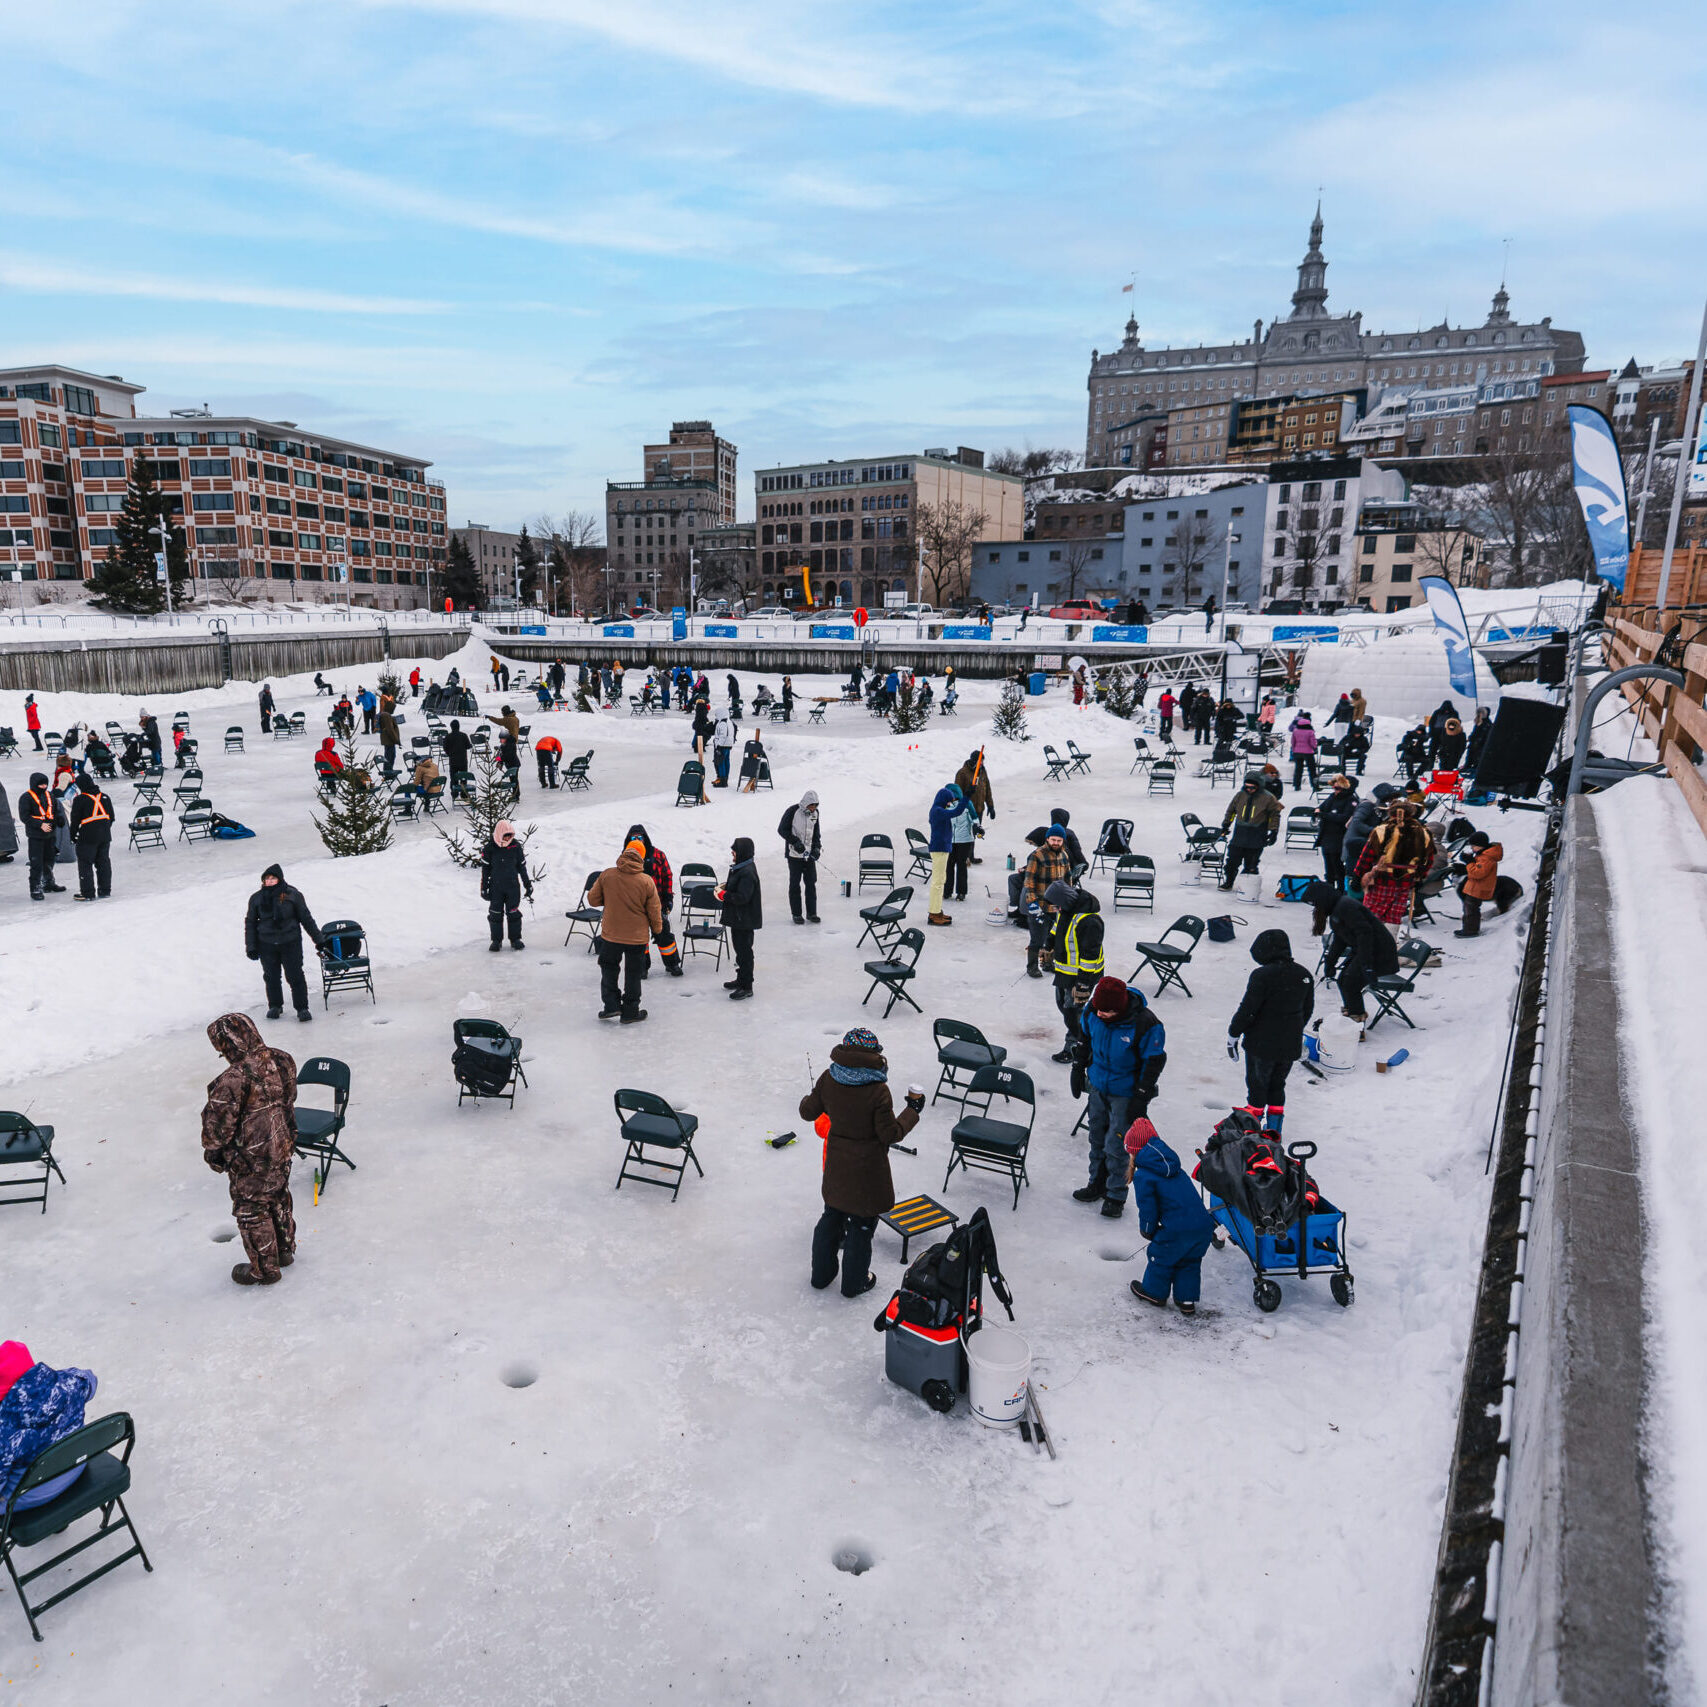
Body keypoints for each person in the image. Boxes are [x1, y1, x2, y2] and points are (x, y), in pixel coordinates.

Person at [801, 1027, 925, 1297]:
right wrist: (912, 1111)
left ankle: (821, 1276)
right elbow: (890, 1134)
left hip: (837, 1164)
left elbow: (807, 1112)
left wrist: (813, 1095)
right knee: (861, 1225)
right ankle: (854, 1283)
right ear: (874, 1054)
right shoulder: (878, 1089)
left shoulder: (829, 1077)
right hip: (868, 1170)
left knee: (831, 1217)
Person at [201, 1013, 299, 1286]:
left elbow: (217, 1131)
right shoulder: (282, 1059)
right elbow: (289, 1099)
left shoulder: (232, 1080)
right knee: (278, 1196)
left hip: (251, 1158)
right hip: (283, 1145)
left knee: (251, 1209)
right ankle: (284, 1251)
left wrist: (214, 1153)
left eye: (221, 1048)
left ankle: (265, 1270)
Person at [1072, 976, 1166, 1213]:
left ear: (1120, 1007)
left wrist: (1140, 1098)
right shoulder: (1092, 1011)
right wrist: (1077, 1068)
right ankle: (1096, 1183)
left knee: (1117, 1145)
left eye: (1107, 1012)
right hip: (1098, 1084)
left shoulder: (1146, 1024)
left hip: (1125, 1093)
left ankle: (1115, 1195)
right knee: (1096, 1138)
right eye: (1099, 1010)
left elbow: (1154, 1061)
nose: (1101, 1014)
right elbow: (1084, 1040)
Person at [1125, 1118, 1218, 1316]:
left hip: (1177, 1230)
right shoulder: (1175, 1168)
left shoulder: (1144, 1176)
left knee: (1160, 1257)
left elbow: (1148, 1208)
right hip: (1203, 1226)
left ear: (1134, 1150)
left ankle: (1154, 1293)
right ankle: (1186, 1301)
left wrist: (1148, 1230)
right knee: (1189, 1262)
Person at [1227, 928, 1314, 1135]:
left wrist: (1234, 1034)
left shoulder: (1262, 976)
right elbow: (1308, 1009)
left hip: (1261, 1045)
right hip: (1288, 1046)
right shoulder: (1304, 974)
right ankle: (1274, 1132)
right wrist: (1292, 1029)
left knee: (1257, 1087)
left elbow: (1248, 1009)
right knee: (1277, 1086)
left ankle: (1253, 1133)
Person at [589, 838, 662, 1022]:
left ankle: (611, 1006)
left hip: (611, 935)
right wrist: (657, 929)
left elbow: (593, 900)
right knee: (633, 974)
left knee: (608, 968)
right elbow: (654, 910)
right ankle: (630, 1012)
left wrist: (611, 898)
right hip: (636, 937)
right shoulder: (646, 881)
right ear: (642, 858)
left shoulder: (607, 875)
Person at [1308, 879, 1399, 1021]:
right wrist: (1330, 963)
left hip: (1380, 953)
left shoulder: (1345, 907)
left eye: (1315, 904)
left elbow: (1365, 934)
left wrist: (1367, 966)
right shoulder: (1338, 910)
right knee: (1343, 979)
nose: (1315, 908)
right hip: (1368, 951)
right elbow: (1340, 940)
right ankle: (1352, 1011)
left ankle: (1356, 1020)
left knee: (1351, 982)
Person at [245, 864, 323, 1020]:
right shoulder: (256, 898)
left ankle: (302, 1008)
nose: (270, 881)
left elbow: (305, 918)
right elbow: (250, 923)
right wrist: (251, 946)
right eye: (267, 879)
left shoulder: (292, 894)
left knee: (295, 975)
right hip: (266, 943)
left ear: (279, 879)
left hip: (290, 941)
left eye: (273, 878)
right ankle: (275, 1005)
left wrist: (319, 939)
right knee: (271, 976)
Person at [1352, 800, 1433, 933]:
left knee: (1372, 914)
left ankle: (1370, 944)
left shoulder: (1381, 830)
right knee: (1393, 916)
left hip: (1381, 879)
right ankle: (1389, 944)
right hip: (1406, 881)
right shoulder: (1423, 833)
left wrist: (1357, 875)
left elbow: (1367, 856)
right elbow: (1427, 860)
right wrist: (1420, 877)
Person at [1046, 882, 1104, 1060]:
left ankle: (1076, 1048)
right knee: (1064, 1007)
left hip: (1082, 976)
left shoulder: (1090, 921)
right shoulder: (1065, 910)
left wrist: (1083, 984)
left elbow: (1090, 956)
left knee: (1073, 1013)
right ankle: (1083, 1039)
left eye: (1056, 904)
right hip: (1065, 972)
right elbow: (1057, 929)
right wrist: (1048, 945)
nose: (1056, 908)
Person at [625, 823, 683, 975]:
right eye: (634, 837)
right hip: (636, 907)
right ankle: (642, 967)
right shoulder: (625, 858)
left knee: (664, 935)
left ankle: (672, 964)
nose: (637, 840)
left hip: (657, 904)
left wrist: (668, 898)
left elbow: (667, 875)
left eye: (640, 837)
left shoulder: (657, 854)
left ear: (645, 838)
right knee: (639, 939)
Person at [1219, 774, 1282, 892]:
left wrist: (1273, 831)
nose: (1249, 789)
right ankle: (1229, 882)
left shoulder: (1268, 798)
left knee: (1251, 864)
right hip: (1239, 834)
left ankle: (1248, 887)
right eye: (1247, 787)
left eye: (1252, 787)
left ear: (1258, 786)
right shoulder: (1240, 795)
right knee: (1232, 862)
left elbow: (1274, 816)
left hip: (1257, 835)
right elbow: (1231, 811)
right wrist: (1226, 825)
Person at [1022, 826, 1071, 977]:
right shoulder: (1037, 855)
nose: (1056, 842)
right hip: (1040, 906)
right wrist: (1033, 905)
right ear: (1047, 839)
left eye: (1059, 840)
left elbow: (1068, 879)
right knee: (1037, 939)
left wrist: (1069, 899)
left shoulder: (1064, 855)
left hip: (1057, 907)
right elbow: (1029, 882)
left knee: (1054, 938)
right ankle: (1032, 966)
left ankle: (1048, 962)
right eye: (1053, 840)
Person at [720, 837, 762, 999]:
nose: (732, 852)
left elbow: (742, 897)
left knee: (744, 952)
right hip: (739, 919)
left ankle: (747, 986)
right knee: (740, 950)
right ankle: (741, 978)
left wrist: (724, 895)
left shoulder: (747, 872)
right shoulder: (741, 868)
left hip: (745, 919)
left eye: (735, 850)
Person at [480, 821, 532, 951]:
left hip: (512, 886)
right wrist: (484, 887)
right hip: (496, 887)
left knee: (513, 913)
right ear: (499, 834)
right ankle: (496, 940)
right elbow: (485, 870)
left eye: (510, 835)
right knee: (495, 914)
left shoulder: (515, 847)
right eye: (505, 835)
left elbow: (522, 867)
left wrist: (528, 884)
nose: (508, 838)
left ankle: (515, 939)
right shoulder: (490, 848)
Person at [67, 773, 114, 901]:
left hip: (87, 837)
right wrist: (103, 829)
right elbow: (112, 818)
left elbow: (75, 821)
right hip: (105, 836)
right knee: (103, 862)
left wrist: (72, 837)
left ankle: (88, 893)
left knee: (85, 864)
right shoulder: (105, 797)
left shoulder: (80, 799)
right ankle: (105, 890)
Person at [20, 772, 64, 900]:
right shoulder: (26, 797)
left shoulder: (49, 795)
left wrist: (59, 819)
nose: (44, 786)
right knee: (36, 862)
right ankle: (35, 888)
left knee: (50, 859)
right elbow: (25, 816)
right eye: (41, 784)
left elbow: (55, 810)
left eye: (45, 784)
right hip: (36, 835)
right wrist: (40, 825)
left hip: (50, 834)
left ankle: (48, 882)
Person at [779, 790, 821, 923]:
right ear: (806, 803)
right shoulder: (792, 811)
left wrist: (817, 848)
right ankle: (796, 913)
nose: (813, 808)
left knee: (811, 883)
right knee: (795, 884)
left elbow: (816, 833)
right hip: (794, 855)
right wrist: (795, 841)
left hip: (808, 856)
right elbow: (782, 830)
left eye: (815, 806)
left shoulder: (815, 814)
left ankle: (811, 913)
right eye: (811, 806)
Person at [926, 783, 963, 925]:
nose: (949, 804)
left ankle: (937, 909)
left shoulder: (939, 810)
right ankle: (934, 913)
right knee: (937, 882)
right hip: (939, 849)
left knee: (941, 880)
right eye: (949, 801)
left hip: (942, 848)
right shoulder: (937, 811)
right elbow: (956, 812)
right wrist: (966, 797)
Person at [1457, 832, 1505, 938]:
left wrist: (1469, 862)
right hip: (1475, 887)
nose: (1472, 848)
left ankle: (1470, 930)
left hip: (1478, 888)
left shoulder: (1487, 858)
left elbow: (1477, 873)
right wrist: (1471, 860)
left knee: (1471, 909)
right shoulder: (1483, 855)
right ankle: (1468, 928)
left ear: (1480, 846)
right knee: (1469, 908)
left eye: (1473, 846)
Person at [954, 750, 994, 862]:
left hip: (979, 809)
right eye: (980, 761)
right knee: (965, 834)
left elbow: (987, 788)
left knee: (974, 833)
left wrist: (990, 805)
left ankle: (970, 856)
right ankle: (962, 857)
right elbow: (957, 792)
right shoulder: (962, 773)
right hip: (966, 810)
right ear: (974, 761)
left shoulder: (982, 771)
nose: (982, 763)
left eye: (983, 761)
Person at [946, 774, 977, 901]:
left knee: (961, 865)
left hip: (964, 840)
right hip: (950, 841)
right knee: (949, 865)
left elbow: (974, 818)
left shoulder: (966, 804)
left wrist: (977, 827)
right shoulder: (945, 806)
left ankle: (961, 892)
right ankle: (947, 890)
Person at [1049, 806, 1085, 876]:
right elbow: (1077, 852)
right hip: (1072, 868)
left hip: (1062, 871)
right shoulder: (1070, 832)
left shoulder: (1050, 834)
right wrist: (1084, 864)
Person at [1289, 711, 1319, 791]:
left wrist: (1294, 749)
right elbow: (1313, 743)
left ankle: (1297, 785)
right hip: (1308, 753)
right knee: (1312, 769)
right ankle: (1314, 785)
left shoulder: (1295, 731)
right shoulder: (1310, 732)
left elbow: (1293, 742)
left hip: (1297, 752)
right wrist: (1315, 748)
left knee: (1298, 769)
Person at [1427, 699, 1459, 770]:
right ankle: (1430, 764)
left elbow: (1456, 723)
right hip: (1436, 733)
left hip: (1447, 734)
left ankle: (1443, 766)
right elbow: (1431, 722)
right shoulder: (1437, 712)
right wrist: (1431, 732)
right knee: (1432, 750)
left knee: (1444, 752)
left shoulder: (1453, 713)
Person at [712, 708, 737, 788]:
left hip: (722, 745)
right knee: (726, 761)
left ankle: (722, 780)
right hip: (728, 745)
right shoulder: (730, 722)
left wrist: (718, 745)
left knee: (720, 762)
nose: (716, 717)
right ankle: (725, 779)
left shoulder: (723, 723)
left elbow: (723, 735)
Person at [443, 718, 472, 785]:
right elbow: (468, 746)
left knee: (453, 778)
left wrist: (449, 754)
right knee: (464, 778)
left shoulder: (448, 737)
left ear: (451, 727)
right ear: (459, 726)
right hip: (463, 761)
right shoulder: (464, 735)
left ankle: (454, 792)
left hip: (453, 761)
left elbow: (445, 748)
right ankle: (464, 792)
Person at [377, 692, 401, 773]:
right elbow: (390, 729)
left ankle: (389, 771)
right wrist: (396, 740)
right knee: (389, 757)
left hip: (389, 740)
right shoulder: (386, 715)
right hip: (389, 740)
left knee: (391, 756)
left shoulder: (386, 715)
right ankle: (387, 772)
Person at [1466, 705, 1493, 772]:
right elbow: (1475, 732)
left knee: (1477, 757)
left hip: (1480, 745)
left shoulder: (1487, 724)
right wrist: (1471, 737)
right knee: (1471, 755)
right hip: (1475, 743)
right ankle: (1469, 766)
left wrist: (1477, 740)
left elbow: (1484, 734)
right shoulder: (1479, 722)